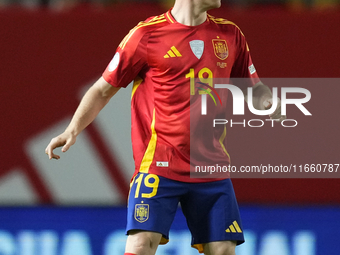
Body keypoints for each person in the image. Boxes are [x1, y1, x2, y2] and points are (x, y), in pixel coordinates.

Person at [45, 0, 284, 254]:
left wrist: (267, 100)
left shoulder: (230, 34)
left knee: (224, 249)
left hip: (211, 167)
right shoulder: (146, 34)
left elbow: (254, 86)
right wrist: (72, 129)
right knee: (141, 244)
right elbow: (103, 90)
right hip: (159, 166)